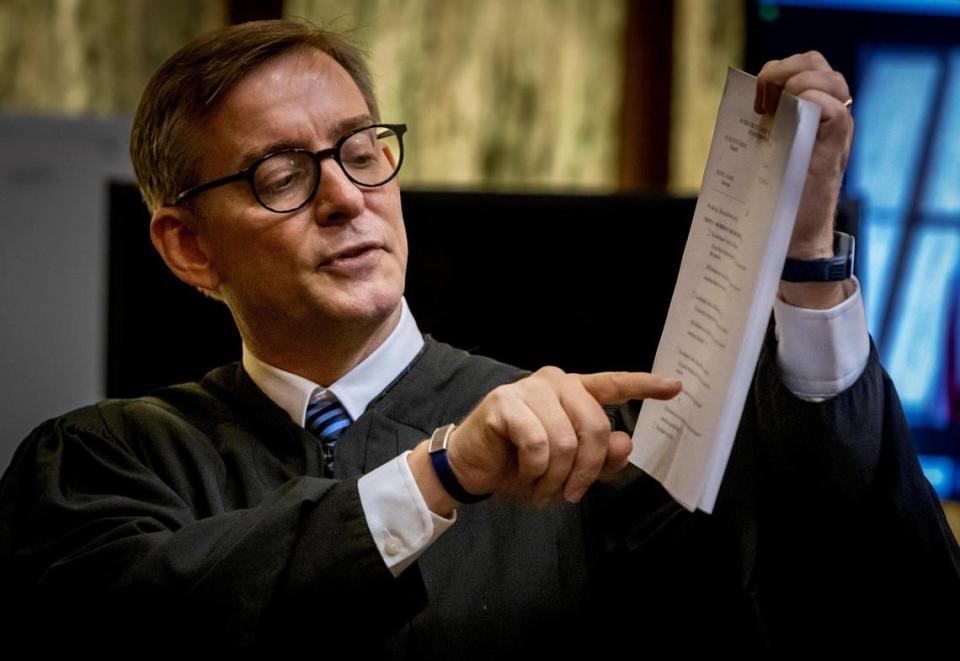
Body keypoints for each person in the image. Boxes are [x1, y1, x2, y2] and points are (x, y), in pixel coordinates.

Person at [1, 19, 957, 656]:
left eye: (363, 151)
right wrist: (441, 475)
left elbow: (881, 603)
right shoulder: (100, 463)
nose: (345, 196)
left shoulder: (594, 455)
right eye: (280, 174)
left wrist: (804, 260)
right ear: (187, 246)